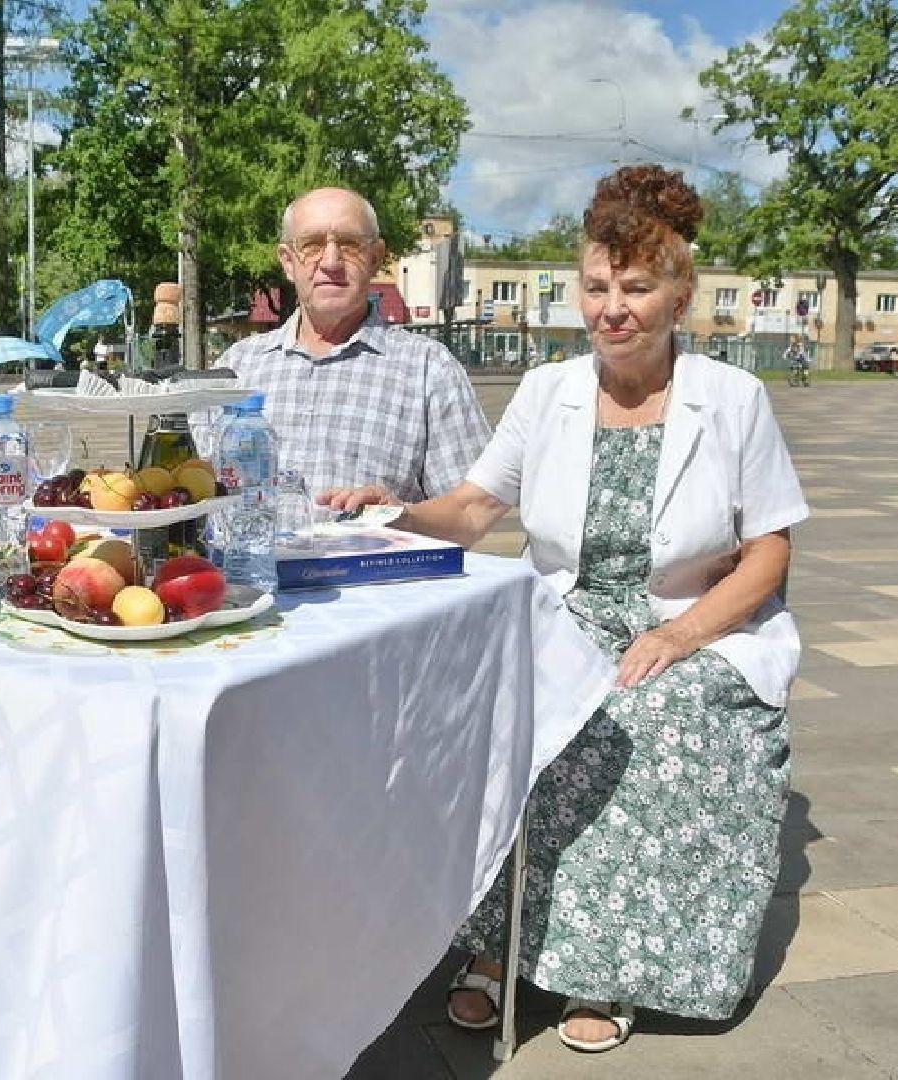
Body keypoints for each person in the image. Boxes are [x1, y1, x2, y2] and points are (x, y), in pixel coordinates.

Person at [322, 165, 807, 1052]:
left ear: (680, 296)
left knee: (647, 716)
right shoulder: (549, 393)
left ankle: (601, 966)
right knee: (496, 704)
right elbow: (474, 508)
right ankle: (495, 941)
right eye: (595, 288)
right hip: (566, 615)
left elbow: (769, 552)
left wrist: (680, 634)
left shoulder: (733, 399)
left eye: (635, 288)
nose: (611, 309)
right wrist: (395, 510)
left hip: (693, 622)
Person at [204, 187, 490, 501]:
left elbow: (472, 509)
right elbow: (193, 487)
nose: (331, 262)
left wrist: (403, 515)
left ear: (375, 258)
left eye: (350, 245)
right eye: (312, 245)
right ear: (288, 262)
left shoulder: (428, 370)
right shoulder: (237, 369)